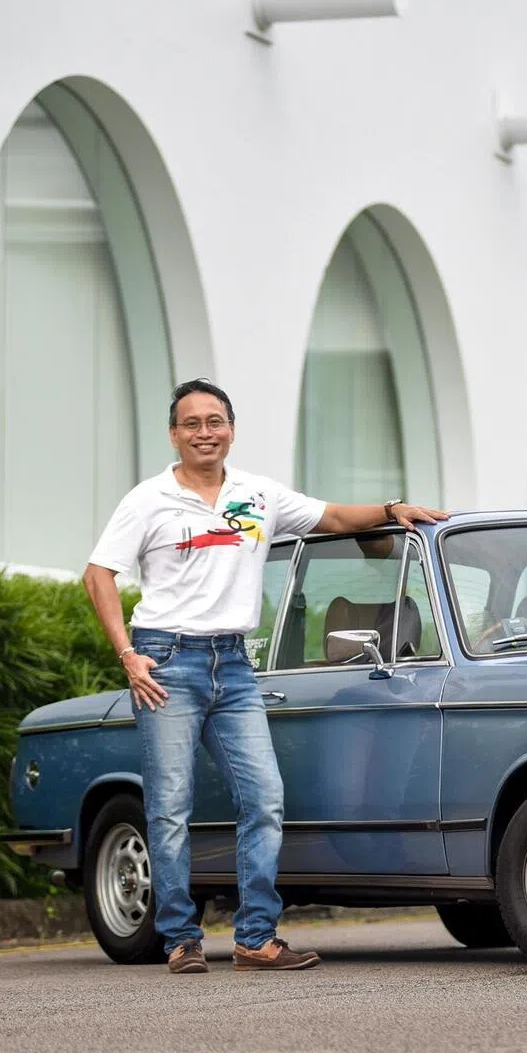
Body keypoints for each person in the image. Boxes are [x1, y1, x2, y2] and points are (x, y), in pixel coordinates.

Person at [82, 378, 447, 974]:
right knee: (171, 807)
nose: (205, 432)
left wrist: (388, 511)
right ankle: (179, 938)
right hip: (166, 661)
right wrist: (128, 654)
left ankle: (255, 938)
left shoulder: (258, 494)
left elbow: (329, 516)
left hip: (234, 664)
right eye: (192, 423)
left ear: (230, 428)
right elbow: (98, 575)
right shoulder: (148, 499)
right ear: (174, 434)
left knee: (265, 800)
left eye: (215, 421)